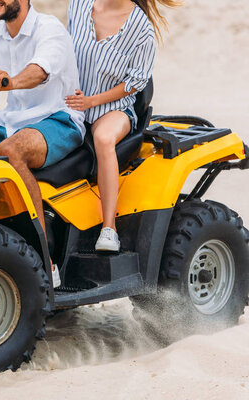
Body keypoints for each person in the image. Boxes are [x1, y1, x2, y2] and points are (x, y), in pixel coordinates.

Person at [0, 1, 85, 281]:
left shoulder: (49, 28)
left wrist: (9, 81)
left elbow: (38, 73)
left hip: (58, 118)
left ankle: (44, 261)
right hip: (11, 120)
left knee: (10, 151)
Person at [65, 0, 178, 252]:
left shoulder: (141, 29)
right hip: (72, 103)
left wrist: (91, 101)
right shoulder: (79, 5)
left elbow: (135, 83)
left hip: (114, 108)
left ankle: (109, 229)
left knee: (104, 139)